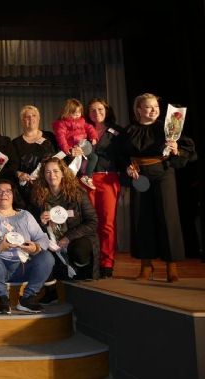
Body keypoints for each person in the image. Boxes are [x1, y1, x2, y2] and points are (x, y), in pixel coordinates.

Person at [123, 93, 196, 282]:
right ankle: (146, 266)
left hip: (164, 174)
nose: (154, 110)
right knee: (142, 219)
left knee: (168, 218)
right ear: (138, 109)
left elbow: (188, 150)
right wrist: (127, 167)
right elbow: (121, 155)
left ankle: (171, 266)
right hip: (140, 177)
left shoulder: (168, 127)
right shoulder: (129, 130)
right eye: (148, 107)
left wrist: (176, 150)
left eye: (156, 106)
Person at [0, 180, 54, 314]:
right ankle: (3, 298)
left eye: (8, 191)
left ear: (13, 195)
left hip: (21, 266)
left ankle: (28, 298)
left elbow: (43, 238)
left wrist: (35, 247)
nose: (3, 194)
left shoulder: (25, 215)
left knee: (46, 257)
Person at [30, 157, 99, 303]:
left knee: (80, 250)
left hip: (76, 239)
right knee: (38, 251)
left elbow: (93, 221)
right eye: (47, 172)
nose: (52, 175)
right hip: (51, 241)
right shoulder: (38, 196)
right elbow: (32, 228)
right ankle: (51, 291)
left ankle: (82, 284)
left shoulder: (77, 193)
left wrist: (68, 237)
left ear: (63, 173)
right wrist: (41, 222)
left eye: (55, 171)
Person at [85, 98, 126, 278]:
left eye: (100, 109)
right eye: (92, 110)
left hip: (109, 179)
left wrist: (124, 181)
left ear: (107, 110)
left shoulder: (117, 131)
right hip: (86, 181)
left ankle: (107, 263)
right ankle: (90, 262)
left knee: (107, 224)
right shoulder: (83, 130)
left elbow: (125, 157)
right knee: (88, 223)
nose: (96, 113)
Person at [12, 105, 57, 203]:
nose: (31, 118)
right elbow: (12, 167)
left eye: (34, 115)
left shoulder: (50, 137)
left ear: (39, 118)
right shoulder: (15, 143)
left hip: (51, 186)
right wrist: (19, 174)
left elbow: (60, 158)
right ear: (22, 120)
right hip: (28, 192)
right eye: (27, 117)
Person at [52, 99, 99, 190]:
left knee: (94, 157)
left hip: (82, 147)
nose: (77, 114)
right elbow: (61, 137)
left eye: (79, 112)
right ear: (67, 112)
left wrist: (94, 137)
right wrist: (67, 149)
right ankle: (69, 183)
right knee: (71, 168)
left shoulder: (82, 121)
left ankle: (87, 177)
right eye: (74, 112)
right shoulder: (61, 124)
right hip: (70, 149)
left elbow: (90, 128)